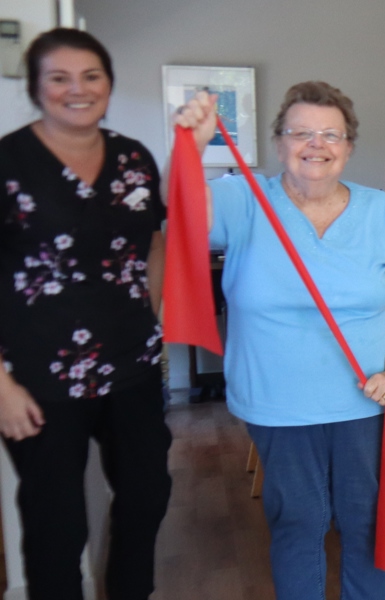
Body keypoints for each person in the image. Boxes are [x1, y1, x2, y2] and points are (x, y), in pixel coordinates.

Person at [173, 81, 385, 600]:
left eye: (330, 134)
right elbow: (180, 208)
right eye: (301, 133)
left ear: (349, 146)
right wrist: (189, 143)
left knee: (365, 523)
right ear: (278, 142)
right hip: (277, 405)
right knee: (299, 524)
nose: (316, 144)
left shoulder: (379, 212)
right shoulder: (242, 198)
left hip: (364, 401)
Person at [0, 28, 170, 600]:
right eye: (59, 77)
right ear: (36, 88)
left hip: (134, 368)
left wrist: (155, 321)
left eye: (91, 76)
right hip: (38, 376)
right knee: (56, 523)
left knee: (147, 497)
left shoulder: (134, 158)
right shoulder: (8, 163)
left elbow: (155, 245)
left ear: (108, 84)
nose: (77, 89)